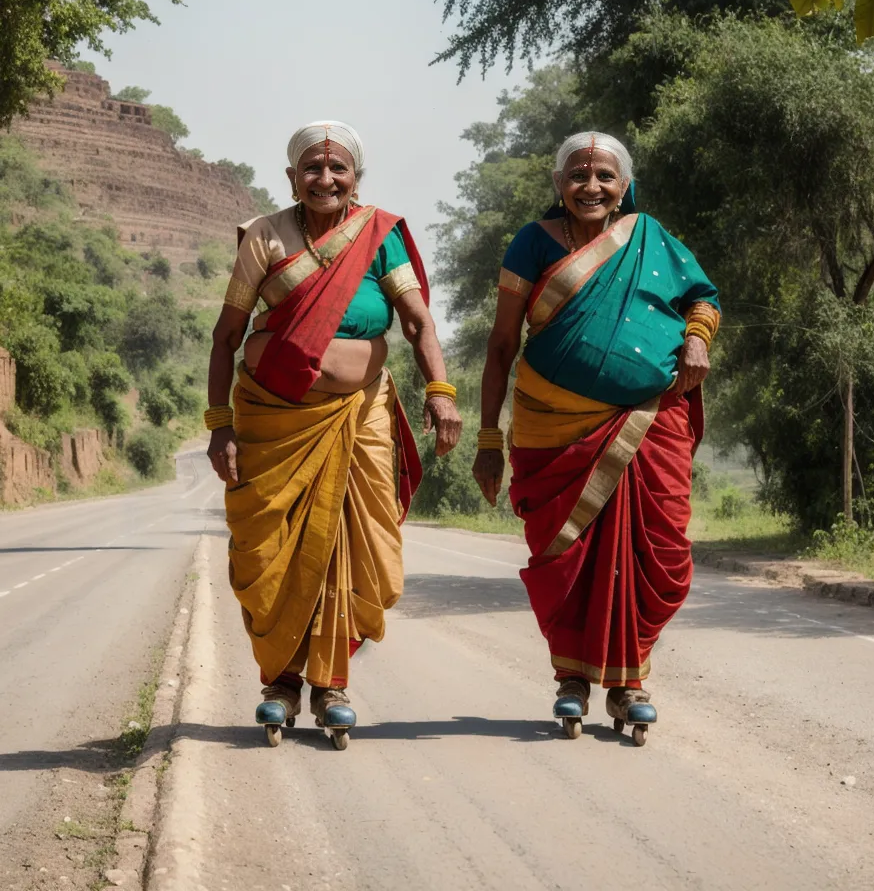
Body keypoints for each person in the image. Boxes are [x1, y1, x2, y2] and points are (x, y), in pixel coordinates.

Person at [205, 120, 462, 748]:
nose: (326, 179)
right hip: (271, 418)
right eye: (312, 169)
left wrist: (440, 390)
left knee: (352, 542)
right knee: (275, 546)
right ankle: (281, 684)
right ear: (291, 177)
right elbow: (226, 335)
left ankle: (333, 684)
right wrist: (220, 426)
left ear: (356, 178)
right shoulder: (265, 237)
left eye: (338, 169)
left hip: (359, 410)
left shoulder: (380, 236)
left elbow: (416, 318)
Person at [473, 132, 720, 745]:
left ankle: (630, 680)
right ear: (558, 184)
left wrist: (696, 339)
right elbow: (502, 344)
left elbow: (703, 297)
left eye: (605, 176)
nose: (592, 187)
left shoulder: (651, 238)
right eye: (578, 176)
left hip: (648, 420)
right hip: (550, 426)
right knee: (567, 556)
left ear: (623, 185)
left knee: (655, 551)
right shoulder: (532, 243)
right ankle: (573, 679)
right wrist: (487, 438)